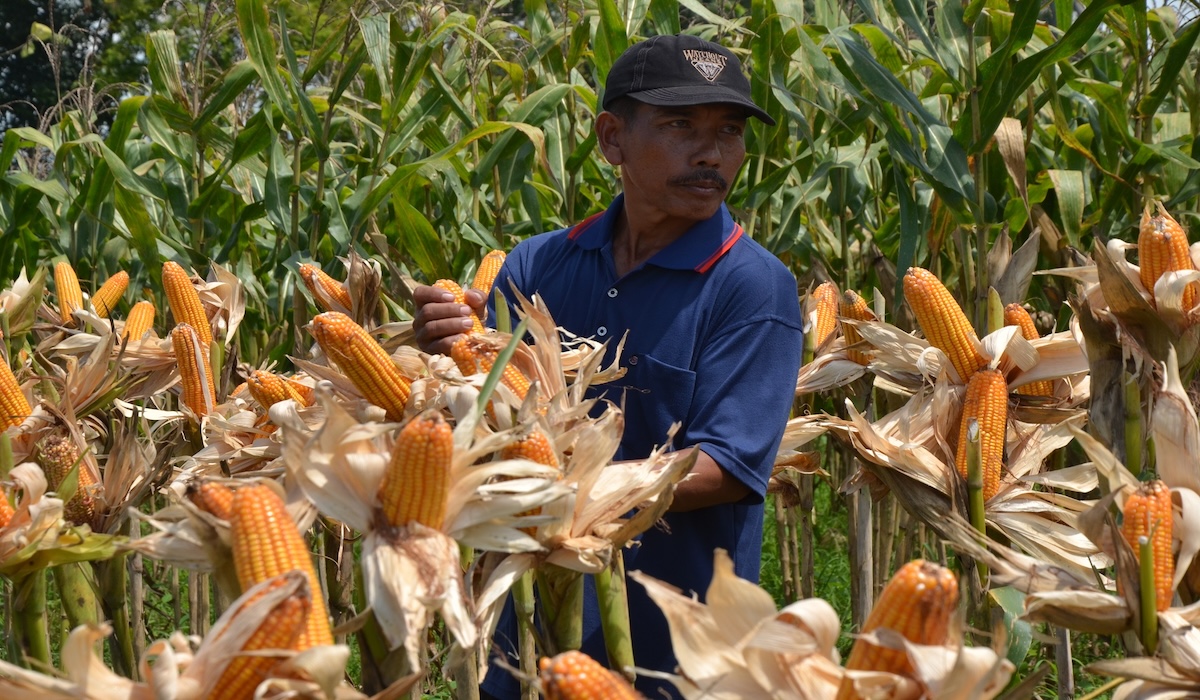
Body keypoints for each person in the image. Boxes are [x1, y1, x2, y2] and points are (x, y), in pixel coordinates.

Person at [412, 33, 803, 699]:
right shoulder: (538, 266)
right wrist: (449, 356)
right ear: (612, 139)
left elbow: (728, 469)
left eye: (729, 132)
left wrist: (560, 492)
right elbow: (491, 422)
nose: (711, 153)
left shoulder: (752, 287)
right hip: (526, 630)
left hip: (672, 647)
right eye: (681, 126)